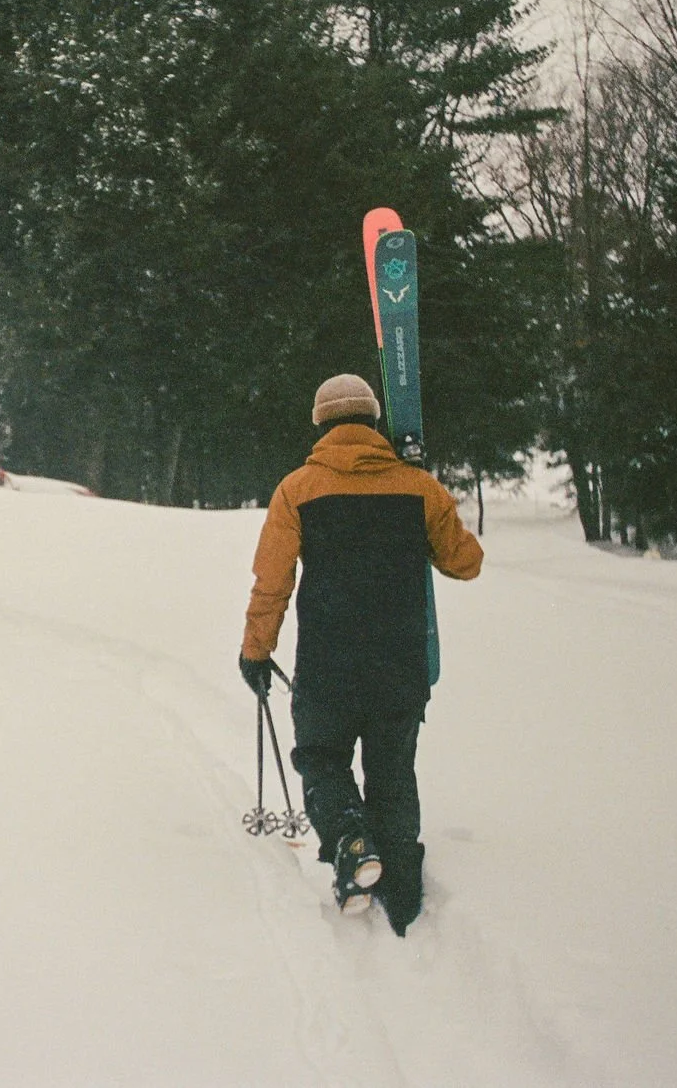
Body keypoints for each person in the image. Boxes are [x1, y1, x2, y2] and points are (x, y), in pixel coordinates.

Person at [239, 373, 483, 935]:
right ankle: (401, 886)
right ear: (375, 423)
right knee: (393, 770)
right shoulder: (418, 488)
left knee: (322, 759)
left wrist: (256, 651)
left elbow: (271, 583)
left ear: (321, 425)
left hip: (328, 664)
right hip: (400, 665)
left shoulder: (297, 490)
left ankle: (350, 841)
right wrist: (423, 480)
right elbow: (465, 561)